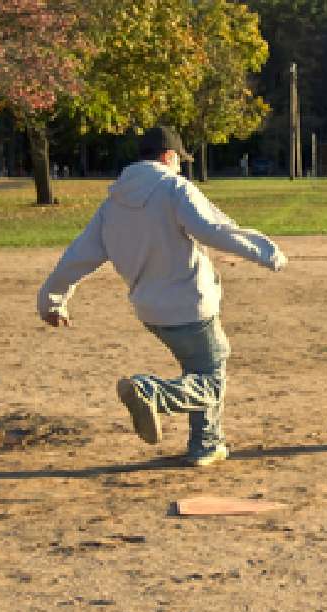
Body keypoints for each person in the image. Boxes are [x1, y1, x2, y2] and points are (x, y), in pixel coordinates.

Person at [37, 126, 287, 467]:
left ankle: (206, 443)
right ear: (168, 157)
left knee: (199, 367)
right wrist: (266, 251)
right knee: (212, 381)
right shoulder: (174, 188)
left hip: (151, 311)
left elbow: (80, 254)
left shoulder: (113, 204)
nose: (181, 167)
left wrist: (52, 299)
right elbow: (211, 228)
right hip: (189, 304)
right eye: (179, 161)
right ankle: (151, 392)